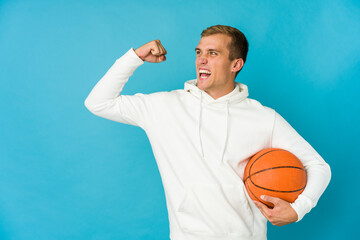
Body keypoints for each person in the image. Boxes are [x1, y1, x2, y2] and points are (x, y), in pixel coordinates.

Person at [84, 25, 331, 240]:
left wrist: (299, 209)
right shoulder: (163, 106)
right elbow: (98, 102)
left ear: (236, 64)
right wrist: (135, 57)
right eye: (199, 52)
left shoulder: (264, 118)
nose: (201, 59)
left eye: (213, 53)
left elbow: (318, 166)